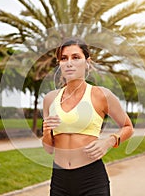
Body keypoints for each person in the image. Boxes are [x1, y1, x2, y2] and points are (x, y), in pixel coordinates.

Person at [42, 37, 134, 196]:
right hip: (59, 180)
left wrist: (108, 142)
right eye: (64, 58)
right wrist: (46, 131)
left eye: (76, 57)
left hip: (92, 180)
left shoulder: (102, 95)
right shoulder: (50, 99)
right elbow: (49, 149)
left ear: (87, 62)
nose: (69, 63)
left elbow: (128, 127)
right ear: (60, 64)